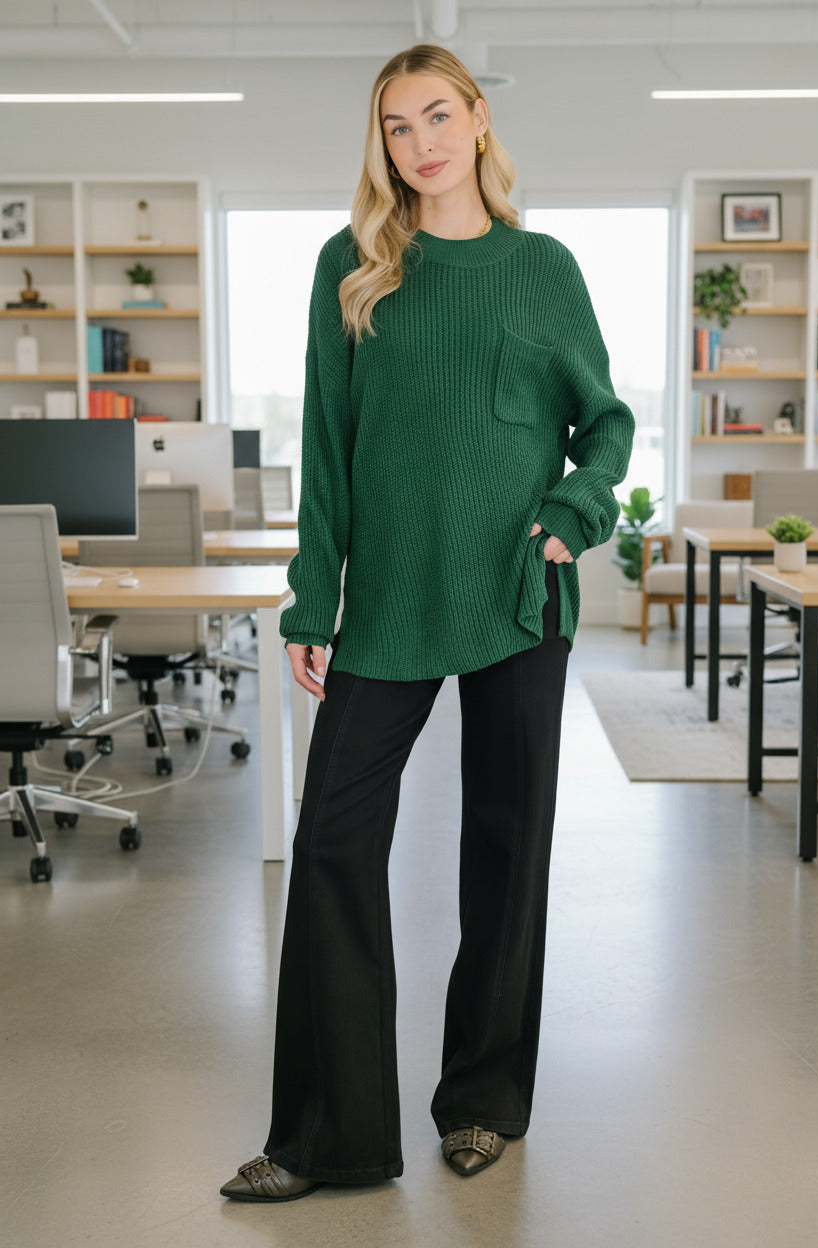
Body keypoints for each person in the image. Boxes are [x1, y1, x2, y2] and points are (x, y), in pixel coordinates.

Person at [221, 43, 634, 1203]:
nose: (420, 144)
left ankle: (484, 1102)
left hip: (516, 593)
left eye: (437, 116)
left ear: (478, 119)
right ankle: (329, 1136)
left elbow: (603, 426)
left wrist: (572, 514)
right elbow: (327, 448)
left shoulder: (541, 269)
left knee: (506, 845)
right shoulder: (351, 266)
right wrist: (312, 597)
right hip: (390, 603)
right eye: (397, 127)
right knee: (332, 843)